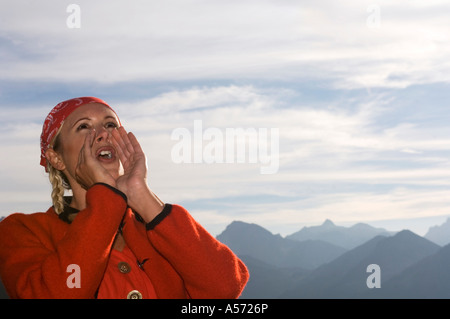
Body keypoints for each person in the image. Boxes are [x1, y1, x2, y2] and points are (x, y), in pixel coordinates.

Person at [0, 97, 249, 299]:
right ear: (56, 158)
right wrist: (106, 198)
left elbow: (225, 287)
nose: (102, 134)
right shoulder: (22, 231)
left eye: (110, 125)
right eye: (84, 126)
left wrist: (141, 194)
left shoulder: (158, 227)